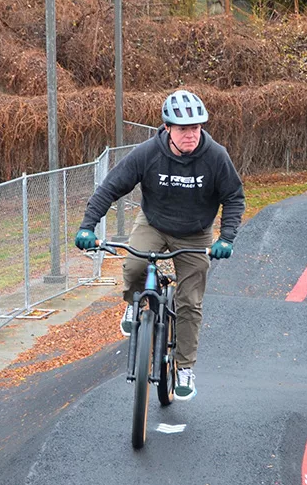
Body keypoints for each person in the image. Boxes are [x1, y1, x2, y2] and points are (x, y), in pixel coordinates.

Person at [74, 89, 245, 401]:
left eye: (196, 128)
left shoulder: (216, 156)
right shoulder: (148, 153)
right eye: (183, 129)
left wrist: (226, 237)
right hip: (154, 224)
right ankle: (134, 302)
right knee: (134, 266)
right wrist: (87, 227)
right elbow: (110, 188)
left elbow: (234, 197)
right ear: (167, 128)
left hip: (195, 232)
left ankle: (185, 367)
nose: (191, 135)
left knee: (189, 302)